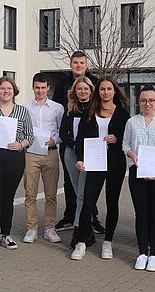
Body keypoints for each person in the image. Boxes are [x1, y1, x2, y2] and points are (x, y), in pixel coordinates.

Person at [71, 76, 130, 261]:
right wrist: (80, 159)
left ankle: (108, 243)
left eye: (109, 89)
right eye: (102, 89)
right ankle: (80, 242)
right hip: (94, 162)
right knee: (88, 202)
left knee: (112, 203)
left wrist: (117, 138)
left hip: (115, 163)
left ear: (114, 91)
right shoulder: (90, 110)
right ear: (98, 91)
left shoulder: (122, 113)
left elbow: (128, 139)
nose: (105, 92)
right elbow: (80, 138)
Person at [0, 76, 34, 251]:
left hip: (14, 157)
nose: (6, 91)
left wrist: (21, 144)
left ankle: (6, 234)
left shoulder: (23, 111)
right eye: (2, 88)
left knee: (7, 198)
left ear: (14, 91)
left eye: (9, 88)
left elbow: (30, 137)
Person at [52, 51, 105, 235]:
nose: (78, 65)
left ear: (86, 64)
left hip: (92, 148)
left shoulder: (96, 82)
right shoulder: (62, 84)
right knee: (69, 181)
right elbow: (60, 111)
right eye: (75, 62)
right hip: (69, 143)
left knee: (89, 183)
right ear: (71, 64)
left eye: (82, 62)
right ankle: (70, 216)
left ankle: (92, 217)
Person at [123, 85, 155, 272]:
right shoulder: (132, 122)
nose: (148, 104)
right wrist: (132, 155)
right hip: (137, 172)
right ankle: (142, 252)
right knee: (141, 214)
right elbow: (125, 143)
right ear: (139, 101)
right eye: (144, 100)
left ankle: (154, 255)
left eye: (151, 100)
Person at [22, 73, 64, 244]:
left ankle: (49, 228)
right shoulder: (25, 108)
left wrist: (55, 139)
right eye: (37, 87)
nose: (40, 90)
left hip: (51, 152)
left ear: (48, 88)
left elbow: (62, 129)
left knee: (51, 194)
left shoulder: (57, 108)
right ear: (33, 87)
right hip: (30, 153)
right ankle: (31, 228)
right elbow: (22, 129)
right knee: (30, 193)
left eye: (43, 87)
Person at [59, 76, 97, 248]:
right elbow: (62, 133)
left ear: (90, 90)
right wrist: (73, 144)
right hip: (71, 154)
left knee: (83, 195)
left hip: (89, 155)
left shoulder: (95, 109)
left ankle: (79, 232)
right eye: (79, 89)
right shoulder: (70, 109)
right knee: (77, 193)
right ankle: (87, 233)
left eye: (85, 88)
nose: (83, 91)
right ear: (75, 91)